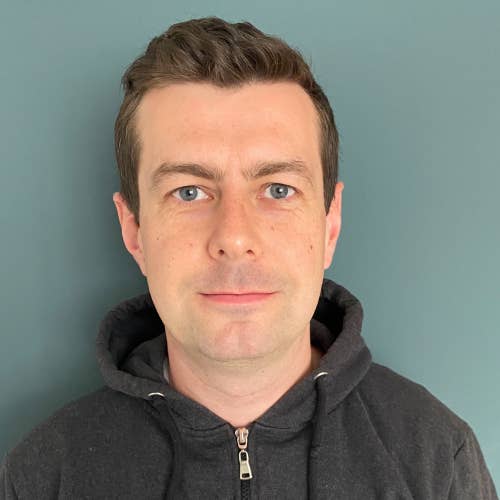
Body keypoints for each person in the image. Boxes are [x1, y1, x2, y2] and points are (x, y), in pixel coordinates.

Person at [0, 16, 497, 500]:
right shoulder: (42, 478)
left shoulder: (437, 459)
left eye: (278, 189)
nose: (235, 237)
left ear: (330, 224)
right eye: (189, 191)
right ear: (134, 230)